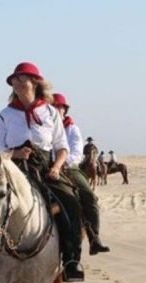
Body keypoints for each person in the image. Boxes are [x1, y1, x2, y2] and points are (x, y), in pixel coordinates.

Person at [0, 62, 85, 282]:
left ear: (35, 82)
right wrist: (15, 154)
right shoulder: (4, 115)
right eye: (15, 79)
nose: (18, 82)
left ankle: (71, 259)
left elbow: (61, 146)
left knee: (71, 202)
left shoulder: (50, 112)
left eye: (23, 78)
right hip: (12, 167)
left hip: (45, 166)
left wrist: (57, 167)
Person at [52, 93, 110, 254]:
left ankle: (94, 237)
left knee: (88, 196)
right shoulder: (42, 127)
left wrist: (61, 164)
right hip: (45, 168)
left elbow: (77, 151)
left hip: (68, 168)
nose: (56, 110)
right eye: (53, 107)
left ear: (65, 110)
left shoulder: (71, 128)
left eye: (59, 107)